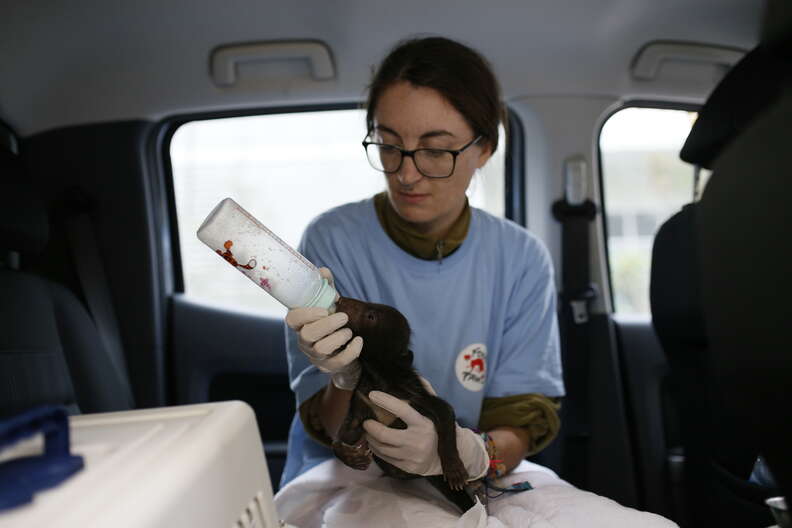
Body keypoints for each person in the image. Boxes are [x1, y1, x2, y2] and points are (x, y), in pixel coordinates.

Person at [279, 36, 565, 492]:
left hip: (474, 468)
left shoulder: (520, 258)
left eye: (435, 150)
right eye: (389, 145)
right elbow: (335, 430)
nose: (406, 173)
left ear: (484, 148)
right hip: (349, 471)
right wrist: (343, 377)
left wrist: (469, 455)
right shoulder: (332, 240)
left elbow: (521, 419)